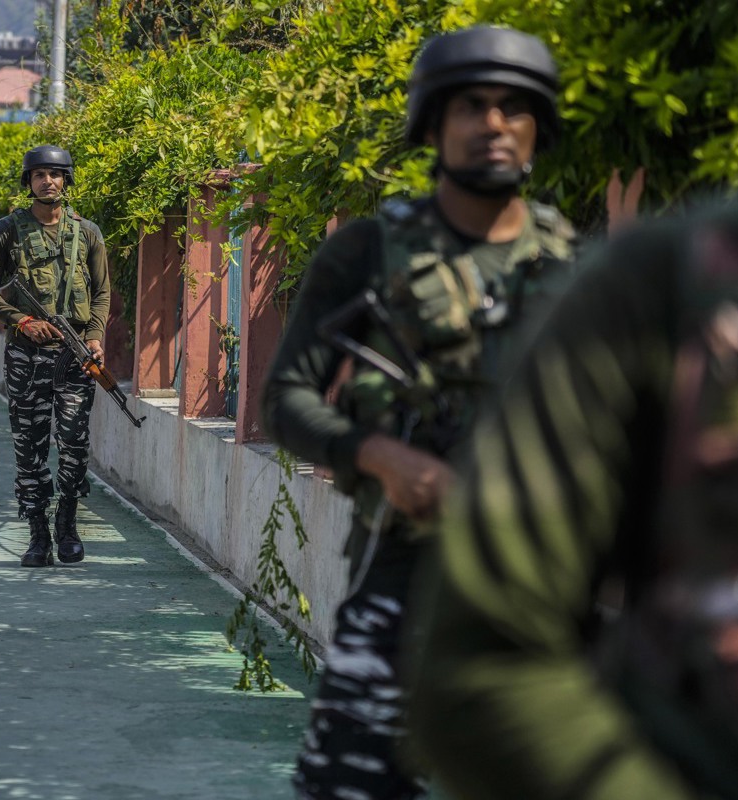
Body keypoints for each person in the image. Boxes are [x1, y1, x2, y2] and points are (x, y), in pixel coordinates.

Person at [260, 26, 579, 800]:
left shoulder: (574, 264)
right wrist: (380, 457)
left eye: (514, 108)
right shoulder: (368, 252)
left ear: (538, 128)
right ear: (433, 124)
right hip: (405, 572)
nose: (494, 124)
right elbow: (286, 401)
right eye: (472, 105)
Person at [409, 186, 738, 800]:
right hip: (463, 517)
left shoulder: (561, 248)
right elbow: (485, 658)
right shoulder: (678, 285)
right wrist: (373, 453)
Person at [0, 145, 111, 568]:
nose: (47, 181)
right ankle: (37, 533)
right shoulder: (6, 230)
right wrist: (21, 321)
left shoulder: (87, 233)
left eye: (55, 174)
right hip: (26, 356)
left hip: (74, 358)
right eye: (39, 175)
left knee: (73, 443)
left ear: (66, 180)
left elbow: (103, 292)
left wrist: (94, 335)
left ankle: (67, 524)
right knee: (29, 447)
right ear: (28, 182)